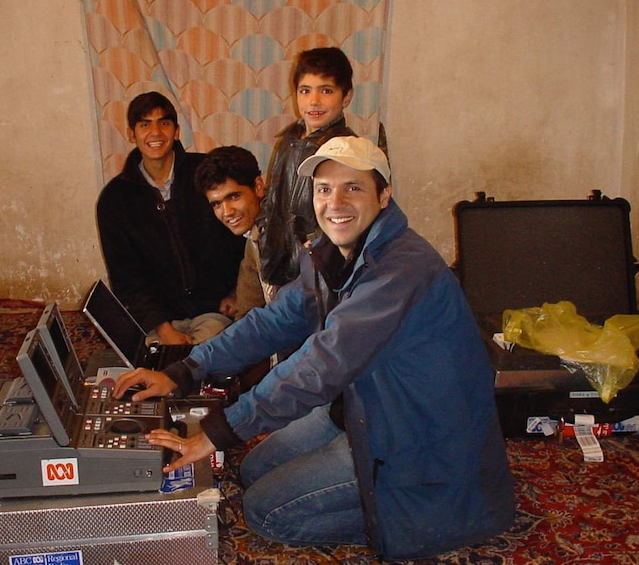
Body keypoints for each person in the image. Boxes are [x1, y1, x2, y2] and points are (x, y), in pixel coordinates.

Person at [115, 137, 515, 560]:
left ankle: (438, 512)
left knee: (266, 512)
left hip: (412, 436)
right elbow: (273, 321)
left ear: (384, 194)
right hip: (363, 407)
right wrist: (183, 371)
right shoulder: (334, 253)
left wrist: (215, 433)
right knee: (253, 469)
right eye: (324, 189)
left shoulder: (401, 269)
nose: (334, 202)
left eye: (353, 188)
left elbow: (321, 365)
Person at [96, 92, 245, 345]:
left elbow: (242, 238)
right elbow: (125, 277)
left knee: (207, 361)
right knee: (155, 373)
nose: (155, 132)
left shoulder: (206, 174)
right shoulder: (115, 200)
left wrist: (238, 292)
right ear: (131, 134)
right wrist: (163, 329)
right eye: (145, 124)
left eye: (163, 123)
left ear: (176, 131)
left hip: (214, 312)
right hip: (157, 321)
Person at [257, 46, 358, 290]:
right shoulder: (287, 142)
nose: (314, 101)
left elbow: (350, 221)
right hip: (278, 269)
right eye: (305, 91)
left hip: (319, 277)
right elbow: (272, 200)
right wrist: (263, 233)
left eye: (326, 90)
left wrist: (317, 254)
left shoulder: (347, 151)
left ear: (346, 96)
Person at [193, 146, 273, 320]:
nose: (227, 212)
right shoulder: (254, 237)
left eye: (234, 197)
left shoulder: (283, 233)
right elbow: (246, 312)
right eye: (216, 204)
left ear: (258, 186)